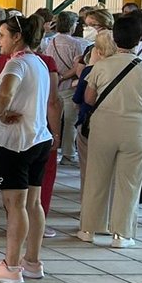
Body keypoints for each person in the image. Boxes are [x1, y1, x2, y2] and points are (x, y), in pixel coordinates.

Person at [0, 15, 58, 283]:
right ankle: (32, 261)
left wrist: (1, 111)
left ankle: (11, 265)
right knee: (33, 203)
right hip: (39, 138)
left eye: (2, 35)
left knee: (15, 205)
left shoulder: (17, 64)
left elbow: (4, 92)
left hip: (15, 144)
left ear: (16, 37)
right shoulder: (39, 63)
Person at [77, 12, 142, 246]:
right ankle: (121, 235)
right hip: (135, 129)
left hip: (103, 127)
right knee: (129, 182)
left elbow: (89, 98)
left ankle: (88, 229)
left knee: (96, 177)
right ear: (138, 40)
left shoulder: (101, 67)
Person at [44, 11, 86, 167]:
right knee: (69, 121)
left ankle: (51, 149)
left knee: (52, 120)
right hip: (69, 87)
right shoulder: (76, 44)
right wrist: (64, 77)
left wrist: (57, 78)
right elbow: (77, 68)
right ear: (71, 25)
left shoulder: (50, 42)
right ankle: (68, 153)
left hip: (53, 86)